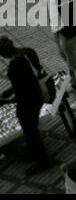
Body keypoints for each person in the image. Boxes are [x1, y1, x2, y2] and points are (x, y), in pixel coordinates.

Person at [0, 36, 52, 175]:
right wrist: (9, 91)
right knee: (31, 130)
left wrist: (5, 101)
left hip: (29, 102)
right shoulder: (28, 51)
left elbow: (21, 92)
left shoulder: (13, 68)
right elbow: (31, 76)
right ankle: (32, 151)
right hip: (41, 94)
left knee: (31, 133)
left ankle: (43, 162)